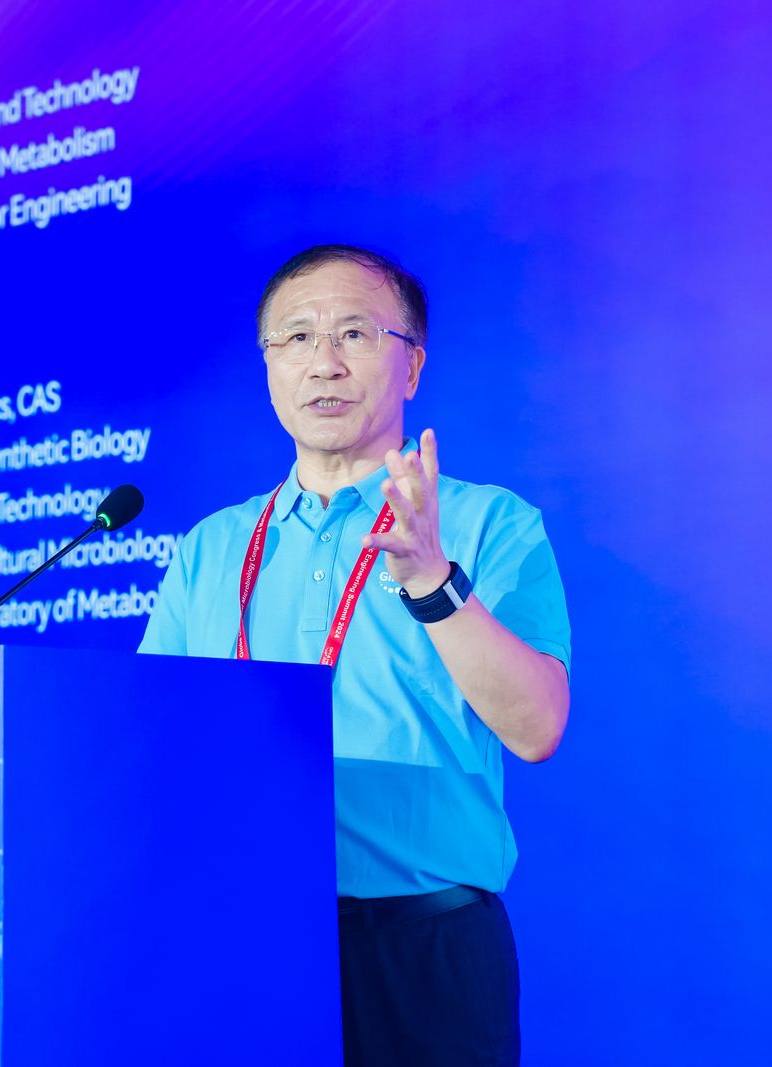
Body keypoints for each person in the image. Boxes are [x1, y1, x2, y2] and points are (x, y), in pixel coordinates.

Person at [138, 244, 571, 1066]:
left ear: (412, 366)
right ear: (269, 366)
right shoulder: (209, 549)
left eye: (354, 334)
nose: (323, 362)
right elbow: (158, 741)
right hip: (247, 941)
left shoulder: (489, 523)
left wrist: (433, 580)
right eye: (296, 337)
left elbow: (538, 726)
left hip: (427, 949)